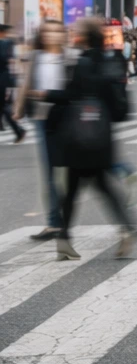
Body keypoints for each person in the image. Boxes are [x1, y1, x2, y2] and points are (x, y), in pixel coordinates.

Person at [55, 17, 135, 261]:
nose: (72, 34)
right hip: (101, 134)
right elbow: (118, 104)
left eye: (76, 31)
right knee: (100, 186)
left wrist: (44, 94)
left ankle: (65, 239)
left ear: (83, 36)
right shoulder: (110, 59)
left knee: (72, 190)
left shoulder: (83, 62)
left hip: (81, 134)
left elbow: (71, 94)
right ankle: (125, 230)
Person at [16, 20, 69, 242]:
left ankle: (122, 174)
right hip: (41, 118)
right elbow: (27, 83)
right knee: (48, 173)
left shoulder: (70, 56)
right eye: (47, 31)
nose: (51, 35)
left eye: (56, 31)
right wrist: (18, 108)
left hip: (66, 118)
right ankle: (53, 223)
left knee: (81, 168)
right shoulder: (36, 55)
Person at [0, 22, 26, 141]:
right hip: (6, 78)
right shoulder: (9, 43)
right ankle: (18, 131)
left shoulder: (6, 44)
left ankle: (19, 131)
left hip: (2, 78)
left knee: (4, 106)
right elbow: (13, 61)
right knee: (4, 105)